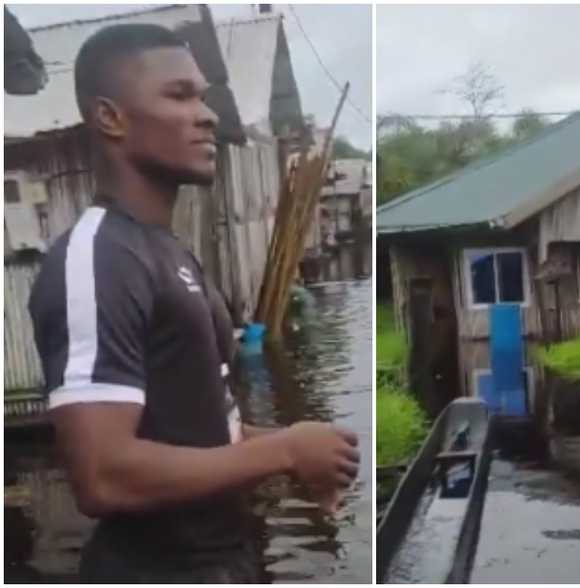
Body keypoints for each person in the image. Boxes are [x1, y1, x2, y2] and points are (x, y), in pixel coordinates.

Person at [28, 24, 360, 582]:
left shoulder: (167, 251)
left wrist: (301, 448)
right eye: (179, 95)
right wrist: (283, 453)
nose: (207, 115)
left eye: (203, 96)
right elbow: (102, 475)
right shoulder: (98, 258)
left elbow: (206, 429)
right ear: (110, 117)